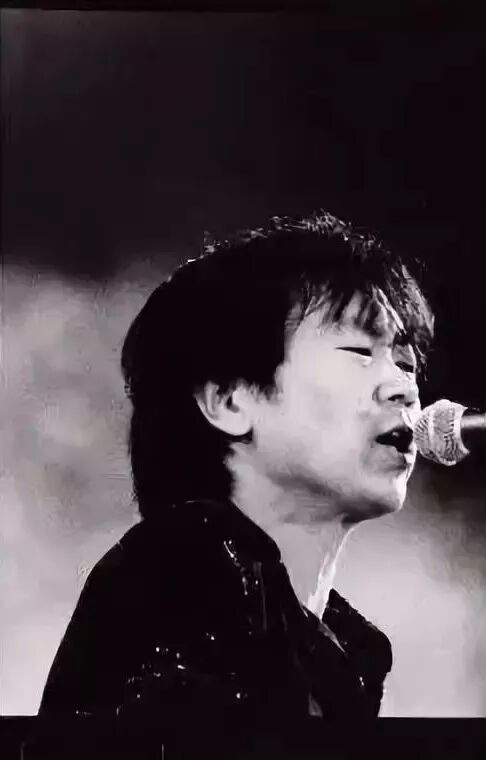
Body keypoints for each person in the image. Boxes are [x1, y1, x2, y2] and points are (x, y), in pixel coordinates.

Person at [38, 211, 435, 722]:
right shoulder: (171, 579)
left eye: (405, 363)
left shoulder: (346, 652)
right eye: (359, 351)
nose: (404, 388)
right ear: (229, 400)